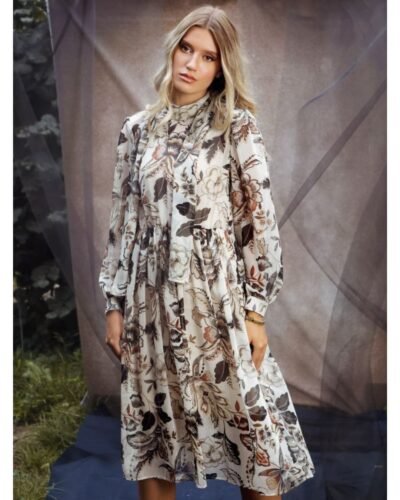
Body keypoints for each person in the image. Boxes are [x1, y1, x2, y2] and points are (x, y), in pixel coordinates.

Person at [98, 5, 315, 500]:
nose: (192, 63)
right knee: (153, 436)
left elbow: (257, 223)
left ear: (221, 68)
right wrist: (114, 304)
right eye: (186, 48)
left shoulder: (236, 128)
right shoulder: (136, 129)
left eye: (208, 57)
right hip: (148, 308)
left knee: (253, 442)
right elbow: (122, 223)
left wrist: (255, 312)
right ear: (173, 49)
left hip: (216, 305)